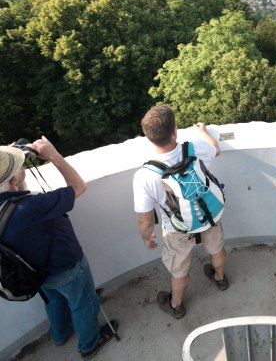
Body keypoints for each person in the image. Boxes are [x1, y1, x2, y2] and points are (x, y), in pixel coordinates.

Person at [0, 138, 117, 359]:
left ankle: (60, 335)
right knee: (83, 302)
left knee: (53, 301)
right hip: (65, 265)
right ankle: (89, 344)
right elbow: (78, 187)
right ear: (14, 179)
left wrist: (12, 165)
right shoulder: (32, 208)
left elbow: (16, 195)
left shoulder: (14, 205)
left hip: (34, 273)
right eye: (18, 166)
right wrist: (53, 155)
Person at [133, 104, 228, 321]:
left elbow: (146, 220)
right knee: (216, 249)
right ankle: (220, 278)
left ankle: (176, 305)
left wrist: (147, 238)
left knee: (179, 268)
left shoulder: (145, 175)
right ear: (174, 130)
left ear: (148, 137)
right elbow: (217, 148)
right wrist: (203, 132)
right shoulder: (195, 148)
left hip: (177, 227)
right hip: (208, 215)